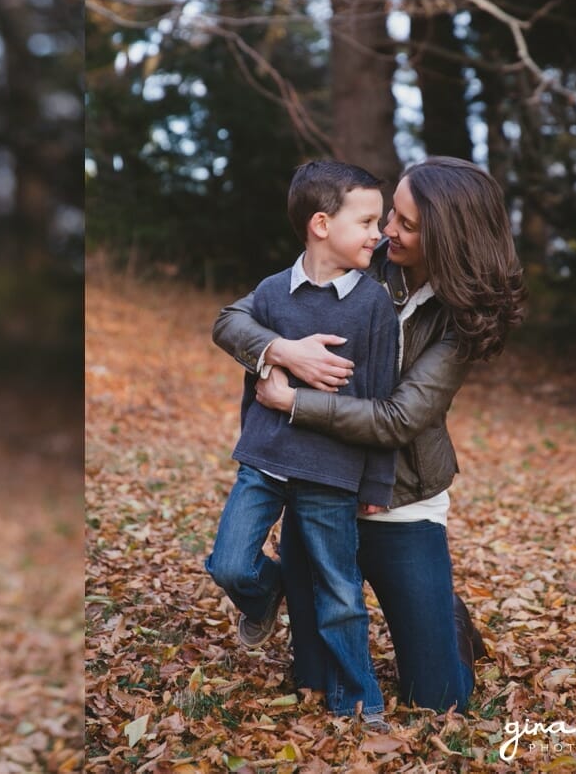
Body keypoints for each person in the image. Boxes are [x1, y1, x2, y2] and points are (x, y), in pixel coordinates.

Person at [213, 156, 526, 712]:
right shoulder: (357, 252)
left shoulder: (463, 317)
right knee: (313, 679)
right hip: (321, 483)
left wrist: (294, 401)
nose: (386, 231)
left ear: (447, 238)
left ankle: (444, 614)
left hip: (400, 500)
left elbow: (399, 418)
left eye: (406, 224)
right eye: (388, 217)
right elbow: (237, 318)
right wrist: (281, 351)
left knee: (438, 700)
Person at [205, 161, 398, 728]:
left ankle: (359, 699)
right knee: (229, 564)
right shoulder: (271, 293)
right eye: (366, 221)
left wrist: (376, 482)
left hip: (331, 471)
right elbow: (236, 338)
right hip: (264, 461)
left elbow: (380, 397)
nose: (378, 233)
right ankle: (268, 593)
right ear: (321, 224)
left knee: (341, 593)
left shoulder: (374, 304)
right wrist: (277, 357)